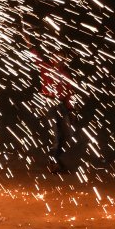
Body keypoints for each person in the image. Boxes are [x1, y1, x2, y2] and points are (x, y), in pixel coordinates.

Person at [24, 33, 75, 173]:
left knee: (67, 134)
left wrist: (70, 110)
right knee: (55, 134)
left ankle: (56, 160)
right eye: (57, 57)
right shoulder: (47, 68)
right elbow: (36, 57)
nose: (59, 60)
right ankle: (53, 164)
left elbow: (69, 94)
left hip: (61, 105)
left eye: (61, 58)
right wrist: (29, 43)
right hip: (49, 103)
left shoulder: (65, 74)